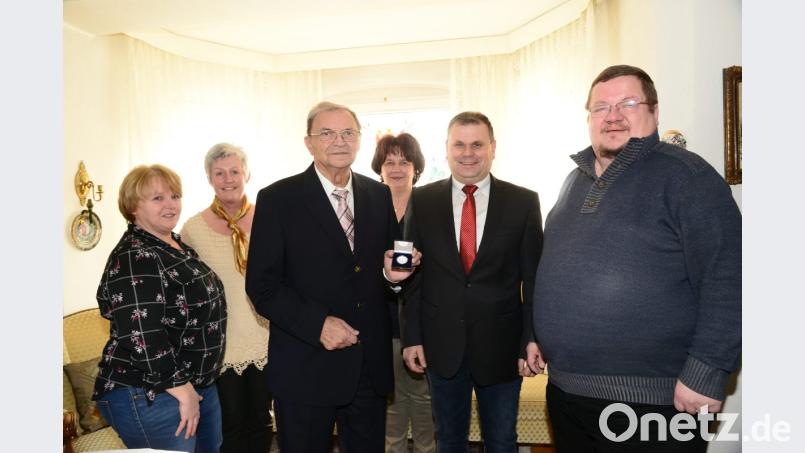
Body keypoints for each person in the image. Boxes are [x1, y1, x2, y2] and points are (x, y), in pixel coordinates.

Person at [533, 65, 741, 452]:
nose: (612, 116)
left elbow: (729, 278)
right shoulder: (573, 181)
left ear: (655, 112)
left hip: (655, 403)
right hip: (567, 394)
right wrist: (535, 334)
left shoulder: (688, 177)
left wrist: (707, 372)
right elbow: (555, 272)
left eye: (627, 103)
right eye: (600, 107)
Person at [245, 101, 421, 452]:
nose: (339, 141)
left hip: (367, 369)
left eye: (348, 133)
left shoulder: (378, 194)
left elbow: (385, 279)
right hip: (305, 367)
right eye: (326, 133)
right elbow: (261, 287)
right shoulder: (278, 199)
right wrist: (318, 324)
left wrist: (394, 276)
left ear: (359, 140)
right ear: (309, 143)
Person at [402, 111, 544, 453]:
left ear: (493, 148)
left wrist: (532, 338)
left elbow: (534, 280)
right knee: (449, 440)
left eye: (477, 144)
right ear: (446, 150)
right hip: (441, 345)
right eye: (459, 145)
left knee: (501, 440)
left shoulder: (523, 202)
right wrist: (412, 337)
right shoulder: (421, 200)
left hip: (501, 346)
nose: (468, 153)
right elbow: (411, 278)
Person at [92, 164, 226, 453]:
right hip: (152, 392)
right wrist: (184, 392)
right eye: (157, 198)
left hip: (193, 384)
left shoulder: (172, 244)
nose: (171, 205)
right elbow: (142, 333)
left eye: (174, 196)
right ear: (133, 207)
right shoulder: (135, 256)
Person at [180, 143, 273, 453]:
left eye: (234, 171)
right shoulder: (193, 229)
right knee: (230, 425)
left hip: (267, 337)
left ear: (247, 174)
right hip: (220, 344)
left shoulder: (269, 217)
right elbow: (186, 289)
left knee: (261, 421)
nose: (228, 179)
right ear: (209, 178)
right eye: (219, 173)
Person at [370, 133, 435, 453]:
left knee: (425, 405)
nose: (396, 168)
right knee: (391, 406)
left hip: (423, 322)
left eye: (404, 161)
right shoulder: (368, 206)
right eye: (389, 161)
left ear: (416, 167)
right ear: (379, 168)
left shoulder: (430, 205)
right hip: (381, 321)